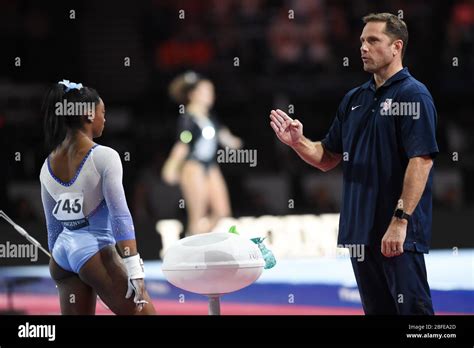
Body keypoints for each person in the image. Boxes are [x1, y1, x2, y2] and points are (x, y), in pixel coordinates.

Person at [270, 13, 438, 315]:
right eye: (362, 40)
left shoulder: (413, 94)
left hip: (397, 234)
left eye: (373, 40)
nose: (363, 47)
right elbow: (327, 157)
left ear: (396, 46)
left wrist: (400, 221)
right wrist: (298, 142)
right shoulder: (353, 100)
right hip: (360, 234)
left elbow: (421, 160)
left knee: (415, 316)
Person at [39, 79, 156, 315]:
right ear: (90, 116)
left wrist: (62, 262)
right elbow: (120, 215)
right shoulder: (104, 156)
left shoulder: (47, 164)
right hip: (94, 252)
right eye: (104, 113)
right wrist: (134, 268)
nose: (106, 119)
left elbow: (53, 229)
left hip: (61, 258)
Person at [162, 71, 242, 235]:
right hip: (194, 165)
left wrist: (233, 142)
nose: (211, 95)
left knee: (222, 212)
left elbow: (222, 134)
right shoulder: (188, 119)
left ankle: (197, 238)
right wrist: (171, 166)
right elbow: (182, 143)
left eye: (211, 91)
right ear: (193, 95)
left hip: (210, 166)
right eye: (206, 91)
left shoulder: (211, 118)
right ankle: (191, 246)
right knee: (197, 215)